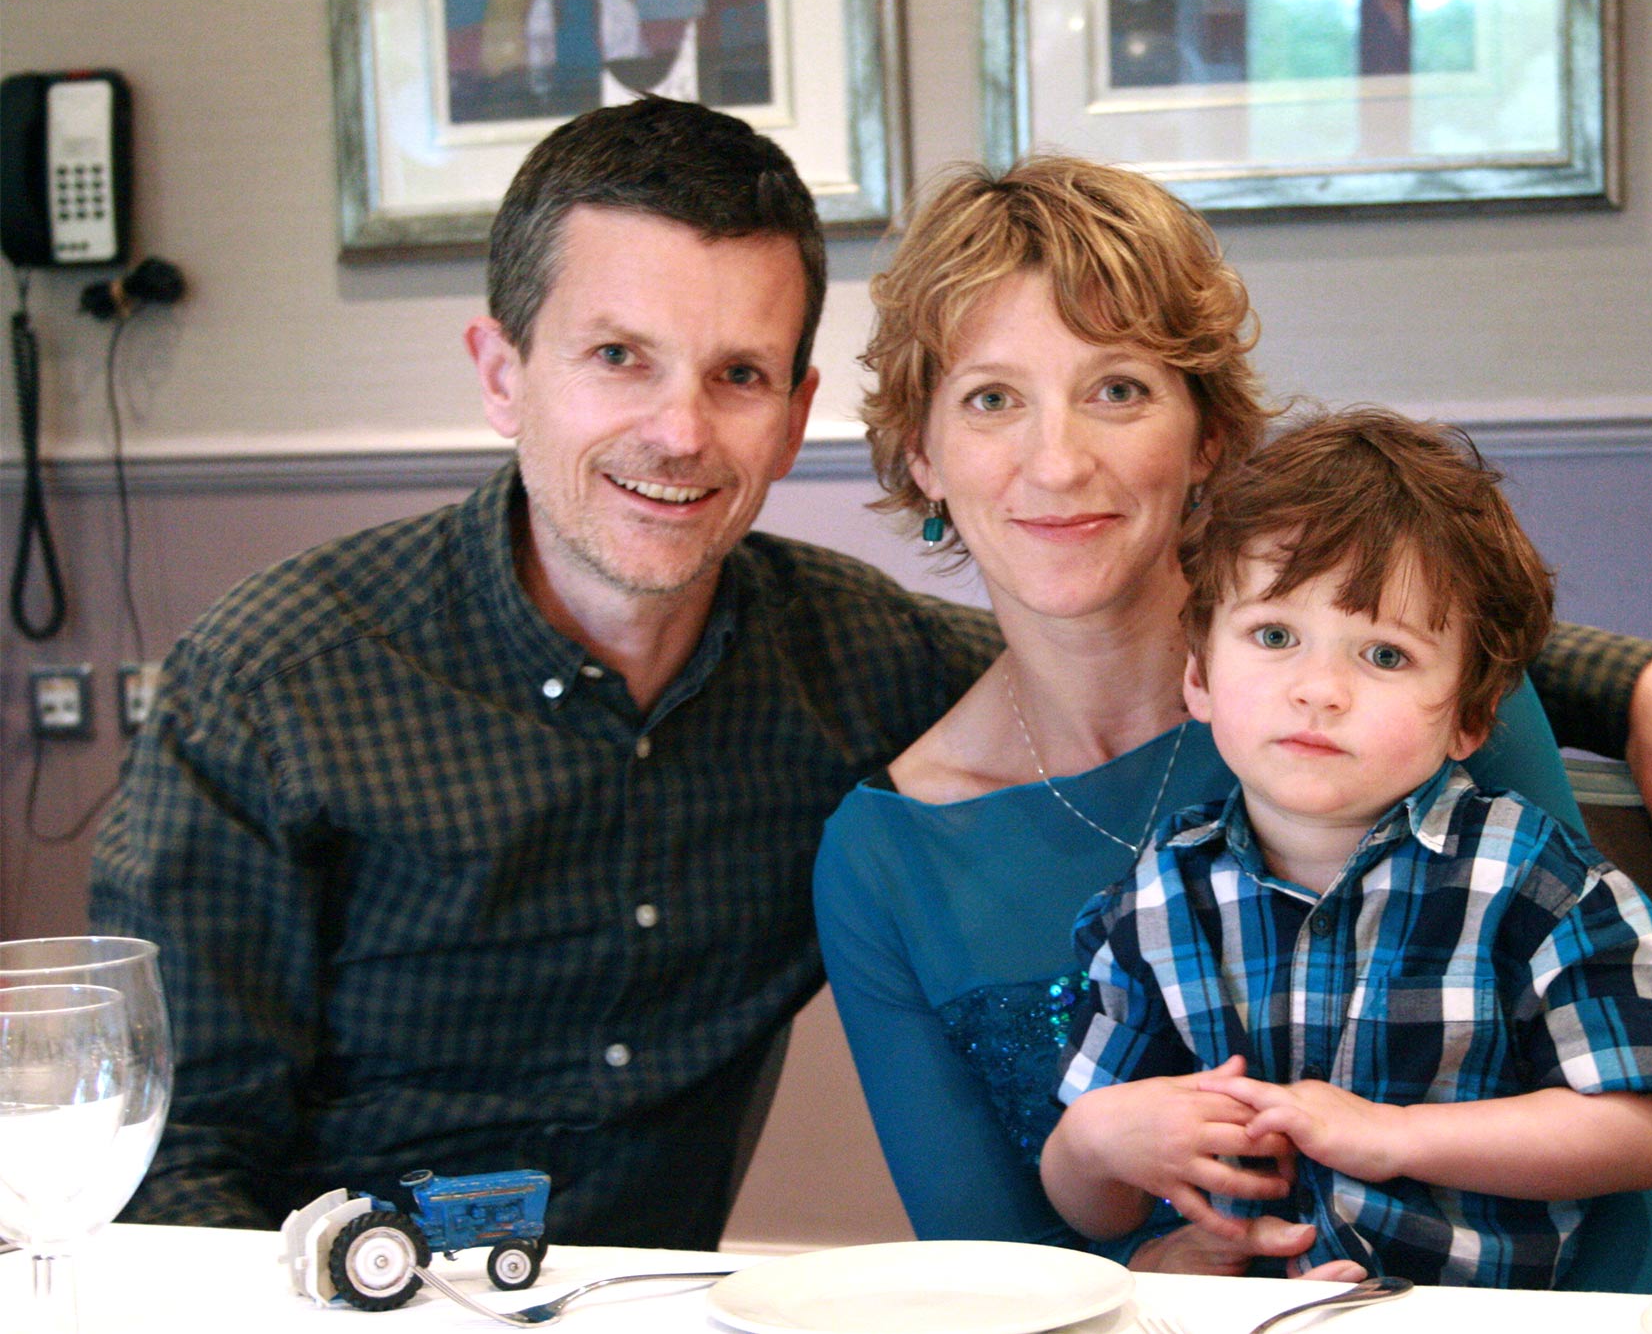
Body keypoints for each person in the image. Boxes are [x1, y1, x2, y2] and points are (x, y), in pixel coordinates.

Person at [813, 156, 1652, 1277]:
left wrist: (1639, 679)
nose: (1059, 459)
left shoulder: (1396, 711)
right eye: (993, 398)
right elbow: (991, 1279)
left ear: (1210, 438)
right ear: (922, 454)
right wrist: (1169, 1284)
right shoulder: (884, 858)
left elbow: (1632, 1205)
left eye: (1120, 389)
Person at [89, 97, 999, 1247]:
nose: (681, 432)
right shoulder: (271, 689)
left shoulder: (864, 663)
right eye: (619, 357)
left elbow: (1116, 712)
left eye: (739, 375)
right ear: (503, 373)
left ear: (794, 414)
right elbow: (172, 1166)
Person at [1040, 408, 1652, 1286]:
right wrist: (1093, 1143)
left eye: (1384, 655)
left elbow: (1644, 1130)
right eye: (1274, 637)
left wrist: (1389, 1136)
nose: (1318, 690)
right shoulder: (1159, 897)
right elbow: (1093, 1207)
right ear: (1198, 673)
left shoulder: (1539, 884)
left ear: (1468, 714)